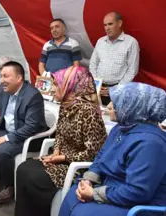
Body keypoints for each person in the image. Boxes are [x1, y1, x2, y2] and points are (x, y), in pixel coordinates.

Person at [59, 82, 166, 216]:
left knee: (81, 212)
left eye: (117, 103)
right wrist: (89, 180)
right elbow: (101, 156)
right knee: (72, 196)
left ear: (134, 107)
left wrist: (94, 194)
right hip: (110, 189)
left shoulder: (151, 144)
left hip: (136, 205)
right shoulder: (121, 128)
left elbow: (138, 191)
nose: (109, 106)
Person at [14, 66, 107, 216]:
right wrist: (55, 152)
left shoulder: (89, 112)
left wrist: (61, 158)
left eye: (57, 84)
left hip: (78, 167)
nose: (52, 89)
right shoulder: (66, 105)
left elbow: (93, 154)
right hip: (61, 159)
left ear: (71, 86)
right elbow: (60, 135)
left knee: (34, 177)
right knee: (24, 168)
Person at [0, 61, 47, 203]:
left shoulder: (32, 96)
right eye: (1, 76)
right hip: (8, 130)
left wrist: (7, 138)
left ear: (19, 78)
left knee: (3, 150)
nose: (2, 81)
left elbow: (31, 127)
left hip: (28, 137)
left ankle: (9, 186)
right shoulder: (3, 90)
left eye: (6, 76)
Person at [89, 12, 140, 105]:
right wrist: (96, 84)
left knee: (113, 118)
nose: (107, 28)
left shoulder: (131, 42)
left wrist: (115, 90)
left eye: (110, 24)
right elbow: (93, 64)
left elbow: (132, 70)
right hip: (98, 89)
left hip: (119, 91)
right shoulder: (100, 41)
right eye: (105, 25)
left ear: (119, 23)